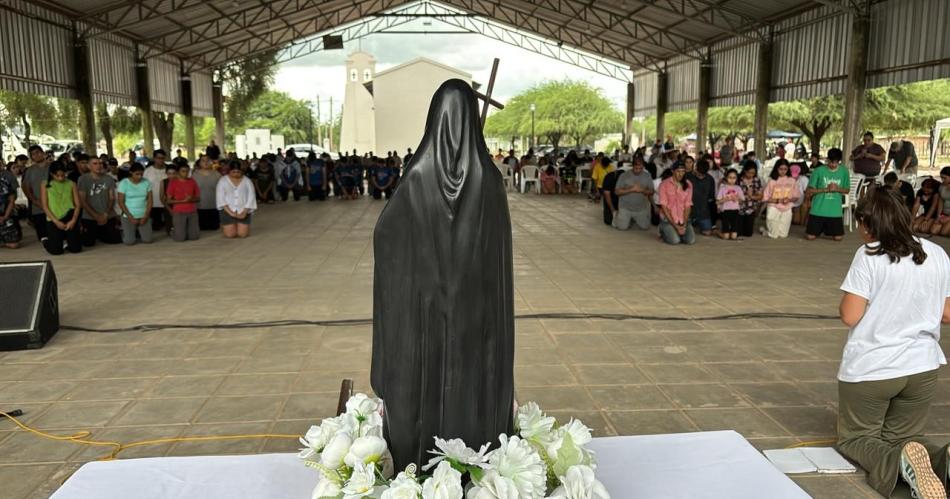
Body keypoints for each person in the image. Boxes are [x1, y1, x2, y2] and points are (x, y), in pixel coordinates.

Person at [836, 186, 950, 499]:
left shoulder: (869, 254)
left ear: (868, 224)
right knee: (909, 436)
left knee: (856, 438)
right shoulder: (936, 253)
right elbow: (947, 313)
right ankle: (944, 460)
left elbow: (850, 315)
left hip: (874, 366)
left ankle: (896, 463)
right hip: (923, 366)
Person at [806, 147, 850, 241]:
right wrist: (825, 189)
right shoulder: (818, 171)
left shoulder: (844, 171)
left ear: (839, 161)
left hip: (834, 211)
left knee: (838, 238)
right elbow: (810, 191)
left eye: (836, 162)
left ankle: (825, 229)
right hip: (818, 209)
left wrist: (837, 189)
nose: (833, 165)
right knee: (810, 237)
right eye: (831, 162)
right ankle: (820, 229)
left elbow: (847, 190)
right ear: (827, 159)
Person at [77, 156, 121, 246]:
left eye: (100, 163)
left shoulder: (108, 179)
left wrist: (105, 214)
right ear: (89, 166)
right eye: (95, 163)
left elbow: (111, 198)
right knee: (88, 243)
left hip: (107, 215)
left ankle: (100, 233)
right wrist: (96, 216)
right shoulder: (83, 179)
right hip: (89, 216)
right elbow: (82, 200)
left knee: (115, 239)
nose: (99, 166)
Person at [40, 162, 81, 255]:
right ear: (52, 174)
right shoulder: (45, 184)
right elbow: (45, 206)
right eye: (57, 176)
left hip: (70, 215)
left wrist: (73, 220)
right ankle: (47, 241)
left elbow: (78, 205)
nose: (61, 178)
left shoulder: (71, 183)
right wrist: (56, 221)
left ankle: (67, 241)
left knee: (76, 249)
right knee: (56, 251)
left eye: (63, 175)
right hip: (54, 218)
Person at [216, 160, 257, 239]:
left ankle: (239, 224)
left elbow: (251, 196)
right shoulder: (223, 181)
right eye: (233, 172)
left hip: (243, 210)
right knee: (230, 235)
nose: (236, 174)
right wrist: (231, 213)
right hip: (227, 210)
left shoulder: (247, 181)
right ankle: (230, 224)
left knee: (242, 234)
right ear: (229, 171)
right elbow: (220, 198)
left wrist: (245, 212)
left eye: (238, 172)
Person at [762, 159, 801, 239]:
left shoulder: (792, 180)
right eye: (781, 169)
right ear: (777, 169)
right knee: (774, 235)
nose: (783, 171)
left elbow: (796, 196)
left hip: (787, 207)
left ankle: (770, 230)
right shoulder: (772, 181)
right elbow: (765, 198)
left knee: (783, 235)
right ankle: (766, 231)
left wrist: (789, 200)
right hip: (774, 206)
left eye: (785, 169)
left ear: (788, 169)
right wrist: (778, 201)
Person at [658, 162, 694, 245]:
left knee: (690, 241)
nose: (681, 174)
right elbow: (664, 207)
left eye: (683, 171)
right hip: (668, 219)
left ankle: (677, 231)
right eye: (678, 171)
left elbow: (688, 206)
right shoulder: (664, 184)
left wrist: (684, 224)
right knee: (675, 241)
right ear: (672, 171)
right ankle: (662, 229)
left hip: (683, 219)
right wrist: (675, 225)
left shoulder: (688, 184)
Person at [613, 157, 654, 231]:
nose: (638, 171)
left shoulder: (647, 176)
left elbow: (651, 191)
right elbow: (617, 192)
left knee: (645, 227)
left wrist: (642, 190)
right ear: (632, 166)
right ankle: (617, 215)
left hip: (641, 208)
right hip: (625, 207)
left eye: (641, 168)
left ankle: (632, 219)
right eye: (636, 168)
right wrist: (631, 189)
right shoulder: (624, 175)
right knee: (622, 228)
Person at [116, 163, 153, 245]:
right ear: (131, 172)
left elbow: (150, 201)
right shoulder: (124, 183)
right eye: (137, 174)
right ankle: (126, 232)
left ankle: (137, 231)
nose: (139, 176)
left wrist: (146, 216)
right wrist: (130, 217)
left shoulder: (146, 182)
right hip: (128, 216)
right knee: (129, 242)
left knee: (148, 240)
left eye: (141, 174)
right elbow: (121, 202)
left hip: (143, 215)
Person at [21, 145, 50, 242]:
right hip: (38, 205)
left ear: (43, 153)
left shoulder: (52, 167)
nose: (36, 155)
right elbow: (26, 187)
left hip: (54, 204)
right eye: (33, 154)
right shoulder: (29, 171)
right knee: (42, 235)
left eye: (38, 152)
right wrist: (34, 200)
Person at [166, 163, 200, 242]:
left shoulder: (192, 181)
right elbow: (168, 200)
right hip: (179, 212)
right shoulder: (173, 183)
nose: (186, 174)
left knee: (194, 237)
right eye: (183, 171)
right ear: (178, 172)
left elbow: (198, 198)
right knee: (180, 239)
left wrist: (191, 199)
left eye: (187, 171)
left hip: (192, 211)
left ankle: (185, 231)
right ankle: (173, 231)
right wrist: (182, 201)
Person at [686, 159, 715, 236]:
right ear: (695, 168)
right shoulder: (688, 176)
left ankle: (698, 223)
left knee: (707, 232)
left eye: (703, 175)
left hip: (703, 211)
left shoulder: (710, 179)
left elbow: (711, 197)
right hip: (688, 209)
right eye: (699, 174)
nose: (701, 177)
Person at [192, 155, 221, 230]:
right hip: (200, 206)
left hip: (214, 206)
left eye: (208, 160)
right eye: (203, 160)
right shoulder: (194, 175)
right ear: (199, 163)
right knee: (202, 229)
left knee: (214, 228)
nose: (206, 162)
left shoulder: (217, 174)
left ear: (211, 162)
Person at [737, 160, 763, 238]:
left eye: (753, 173)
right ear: (745, 171)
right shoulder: (738, 179)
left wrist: (751, 196)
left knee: (748, 233)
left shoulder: (756, 180)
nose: (751, 175)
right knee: (739, 232)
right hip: (739, 208)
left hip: (751, 208)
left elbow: (760, 196)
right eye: (749, 172)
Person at [143, 150, 168, 232]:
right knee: (156, 228)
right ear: (154, 158)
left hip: (167, 202)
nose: (160, 160)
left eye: (162, 158)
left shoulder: (169, 170)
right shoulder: (147, 171)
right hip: (152, 203)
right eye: (158, 158)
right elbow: (143, 187)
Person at [716, 169, 743, 240]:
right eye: (730, 177)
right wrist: (725, 200)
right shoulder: (723, 188)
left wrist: (737, 199)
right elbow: (717, 202)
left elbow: (742, 201)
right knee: (726, 237)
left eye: (734, 178)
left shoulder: (738, 188)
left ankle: (730, 231)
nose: (732, 180)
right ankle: (717, 232)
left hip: (735, 211)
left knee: (734, 237)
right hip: (725, 212)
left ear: (737, 178)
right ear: (726, 177)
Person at [0, 162, 22, 249]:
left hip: (6, 214)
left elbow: (12, 200)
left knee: (14, 245)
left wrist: (5, 216)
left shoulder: (6, 178)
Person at [929, 167, 950, 238]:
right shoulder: (942, 186)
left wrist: (948, 218)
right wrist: (939, 215)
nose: (942, 180)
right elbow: (940, 202)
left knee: (944, 233)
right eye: (941, 177)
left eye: (944, 178)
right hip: (944, 214)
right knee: (933, 231)